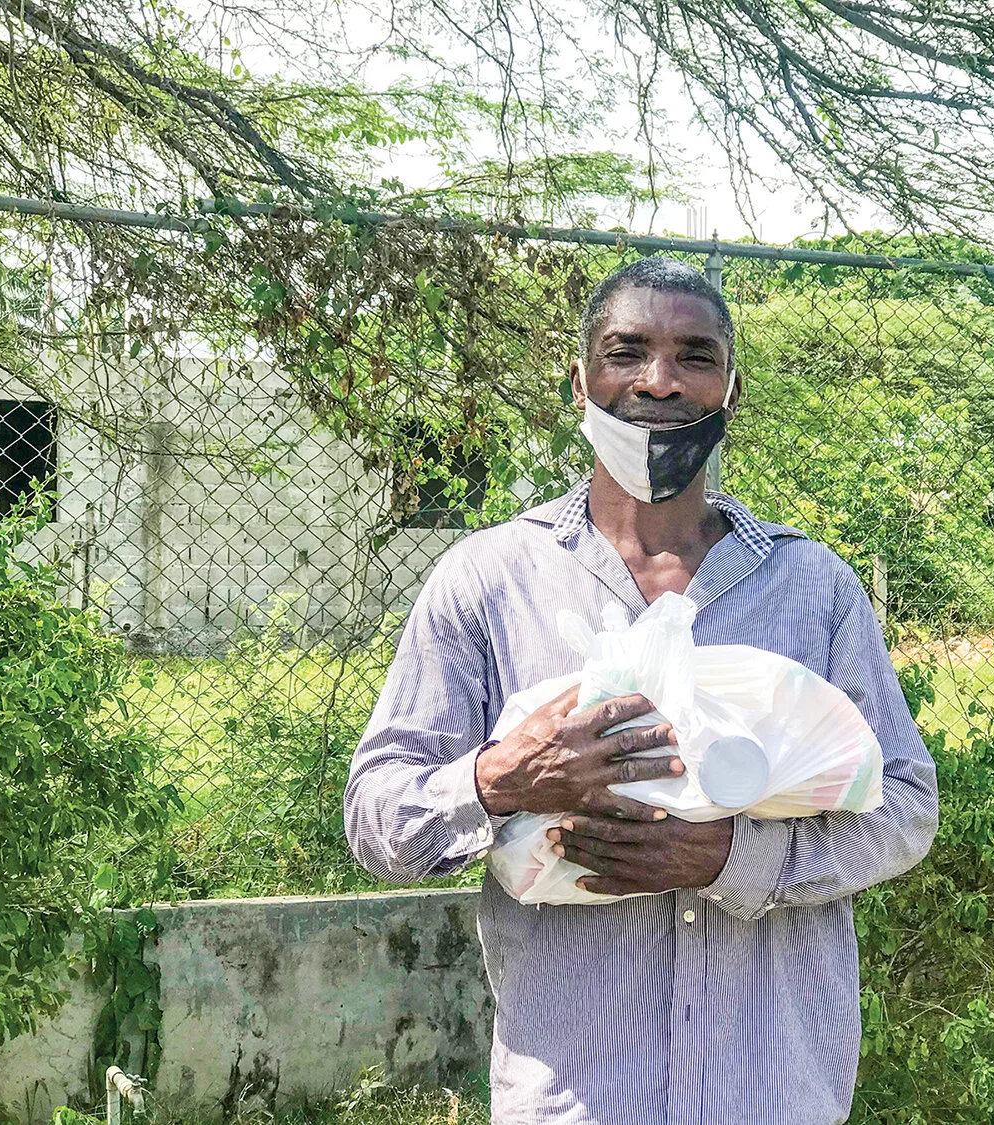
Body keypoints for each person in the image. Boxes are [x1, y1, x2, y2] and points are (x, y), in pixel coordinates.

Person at [344, 256, 939, 1125]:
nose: (659, 382)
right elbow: (377, 820)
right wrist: (505, 777)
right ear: (579, 382)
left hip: (772, 1090)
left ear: (732, 391)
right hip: (578, 1096)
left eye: (695, 355)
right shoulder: (490, 580)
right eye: (628, 352)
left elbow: (906, 806)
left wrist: (731, 860)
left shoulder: (813, 589)